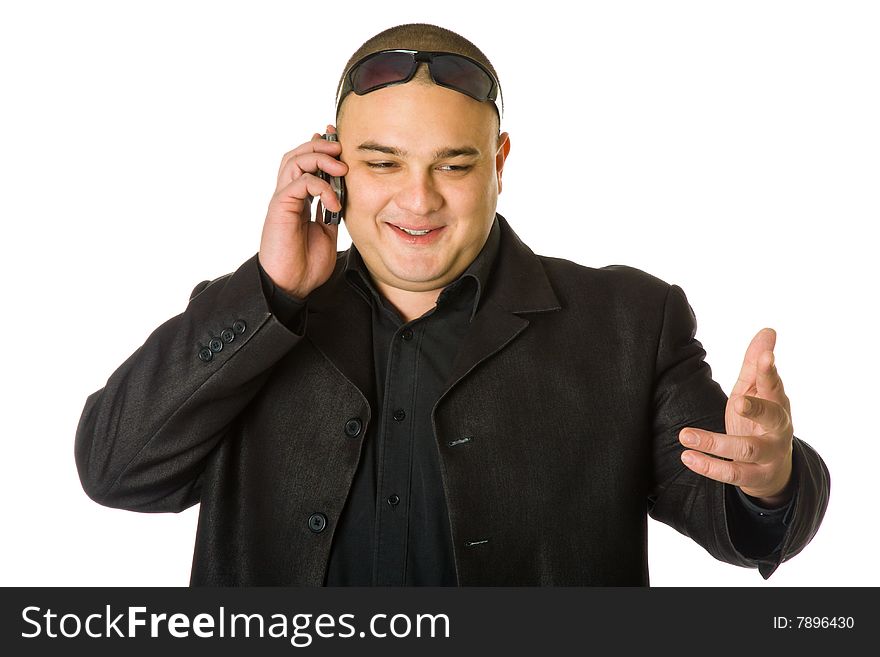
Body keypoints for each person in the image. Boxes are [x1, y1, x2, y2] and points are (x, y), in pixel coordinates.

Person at [75, 22, 830, 586]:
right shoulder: (249, 319)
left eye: (455, 164)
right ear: (331, 163)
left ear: (500, 161)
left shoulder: (630, 322)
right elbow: (113, 470)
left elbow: (743, 516)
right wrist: (271, 292)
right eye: (382, 161)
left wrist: (769, 480)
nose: (418, 199)